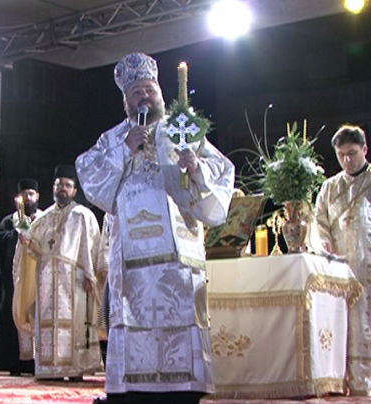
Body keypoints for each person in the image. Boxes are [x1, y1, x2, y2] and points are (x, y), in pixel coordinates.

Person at [76, 52, 235, 404]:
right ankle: (132, 392)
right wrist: (124, 150)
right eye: (136, 93)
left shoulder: (183, 132)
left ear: (161, 93)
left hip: (179, 260)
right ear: (125, 101)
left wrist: (197, 168)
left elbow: (223, 171)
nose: (144, 97)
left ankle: (184, 392)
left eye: (150, 90)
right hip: (132, 264)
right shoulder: (113, 139)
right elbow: (89, 175)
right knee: (133, 322)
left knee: (182, 320)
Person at [314, 124, 371, 397]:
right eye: (341, 155)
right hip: (341, 267)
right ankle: (346, 380)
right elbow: (319, 222)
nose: (347, 160)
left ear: (365, 149)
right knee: (346, 324)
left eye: (352, 153)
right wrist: (323, 242)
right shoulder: (329, 187)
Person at [14, 165, 103, 381]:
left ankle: (75, 370)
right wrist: (26, 240)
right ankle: (49, 369)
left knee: (74, 325)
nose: (63, 188)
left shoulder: (83, 215)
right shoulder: (43, 218)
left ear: (74, 191)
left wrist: (91, 275)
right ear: (53, 188)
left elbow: (92, 247)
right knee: (49, 327)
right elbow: (33, 248)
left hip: (75, 282)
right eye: (59, 184)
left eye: (67, 185)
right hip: (47, 282)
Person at [0, 178, 42, 375]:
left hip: (38, 279)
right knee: (12, 314)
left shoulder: (44, 219)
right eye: (24, 195)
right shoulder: (9, 221)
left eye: (31, 194)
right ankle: (13, 363)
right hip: (16, 280)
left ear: (37, 196)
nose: (28, 198)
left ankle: (37, 362)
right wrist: (15, 236)